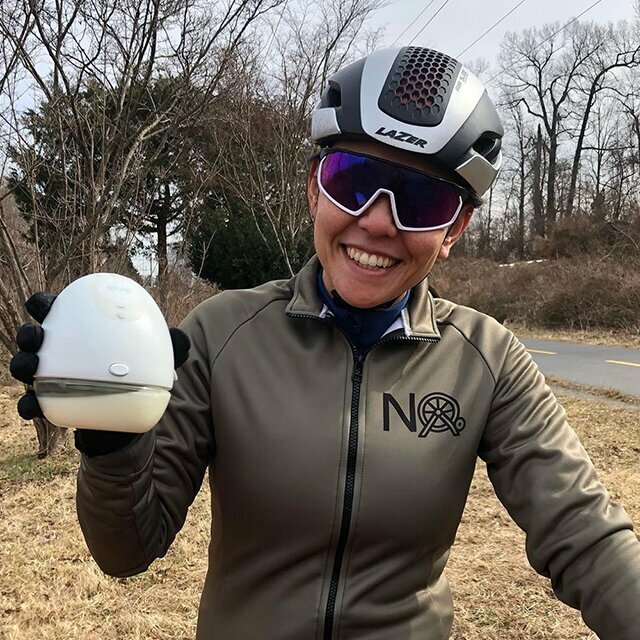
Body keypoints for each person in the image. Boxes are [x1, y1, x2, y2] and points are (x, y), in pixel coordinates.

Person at [10, 46, 640, 640]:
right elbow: (126, 550)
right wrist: (115, 442)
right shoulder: (220, 334)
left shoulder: (488, 361)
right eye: (354, 179)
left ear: (456, 227)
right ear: (315, 187)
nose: (378, 221)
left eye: (421, 200)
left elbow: (585, 536)